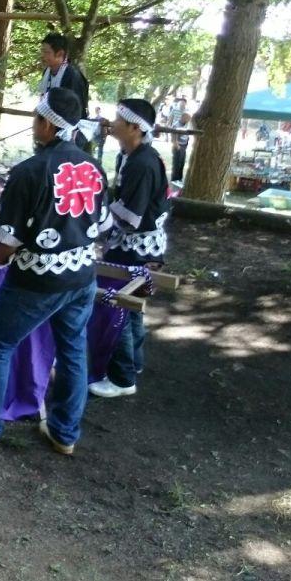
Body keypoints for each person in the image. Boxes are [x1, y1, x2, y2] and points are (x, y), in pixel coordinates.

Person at [0, 87, 108, 456]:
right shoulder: (93, 167)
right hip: (82, 276)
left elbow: (6, 249)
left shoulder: (30, 171)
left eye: (36, 118)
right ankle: (65, 433)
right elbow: (102, 223)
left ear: (47, 123)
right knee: (73, 350)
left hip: (37, 280)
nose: (35, 125)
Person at [90, 98, 170, 400]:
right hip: (144, 247)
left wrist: (101, 217)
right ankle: (133, 364)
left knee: (119, 307)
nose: (114, 123)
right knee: (134, 309)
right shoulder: (135, 156)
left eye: (119, 120)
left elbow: (132, 218)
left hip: (136, 248)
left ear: (135, 128)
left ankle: (122, 377)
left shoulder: (141, 163)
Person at [38, 33, 91, 150]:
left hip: (69, 134)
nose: (42, 55)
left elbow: (74, 112)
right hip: (50, 130)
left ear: (60, 54)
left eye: (46, 52)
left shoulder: (72, 76)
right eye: (42, 51)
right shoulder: (47, 72)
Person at [168, 97, 191, 182]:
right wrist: (176, 144)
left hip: (184, 144)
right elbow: (174, 136)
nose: (189, 120)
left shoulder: (186, 124)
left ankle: (179, 178)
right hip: (178, 145)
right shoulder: (177, 124)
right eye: (187, 119)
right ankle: (174, 179)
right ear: (183, 118)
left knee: (182, 162)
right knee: (177, 162)